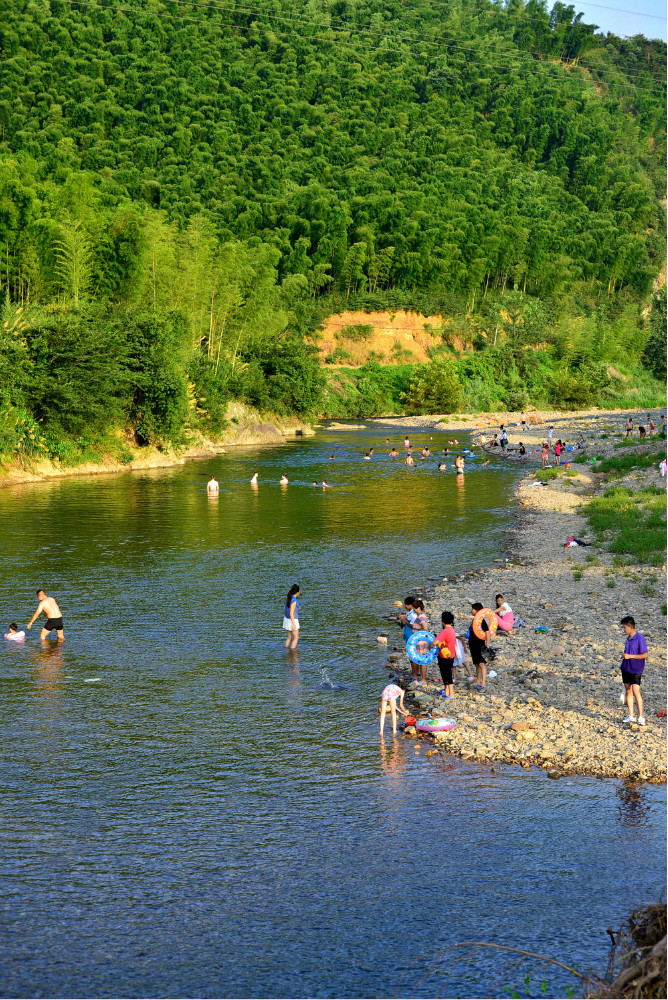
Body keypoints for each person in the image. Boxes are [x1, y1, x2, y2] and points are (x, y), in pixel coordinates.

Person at [620, 616, 647, 725]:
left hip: (636, 668)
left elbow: (645, 655)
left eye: (624, 627)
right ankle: (631, 715)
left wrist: (629, 656)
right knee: (628, 690)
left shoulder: (640, 638)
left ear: (631, 627)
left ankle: (641, 716)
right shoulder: (628, 639)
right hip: (626, 667)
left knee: (636, 691)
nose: (623, 629)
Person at [430, 611, 457, 699]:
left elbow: (435, 642)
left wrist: (428, 646)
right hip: (451, 655)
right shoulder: (452, 630)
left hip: (444, 656)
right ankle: (446, 691)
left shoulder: (445, 631)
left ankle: (451, 694)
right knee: (447, 673)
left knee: (446, 674)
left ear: (443, 621)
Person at [465, 602, 491, 690]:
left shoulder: (481, 620)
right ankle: (478, 680)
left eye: (473, 609)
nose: (471, 611)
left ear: (477, 610)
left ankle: (483, 682)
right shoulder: (474, 620)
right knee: (476, 664)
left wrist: (487, 644)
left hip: (479, 645)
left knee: (481, 664)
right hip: (473, 645)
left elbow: (487, 632)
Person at [409, 599, 430, 684]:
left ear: (418, 608)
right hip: (419, 641)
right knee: (421, 659)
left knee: (421, 660)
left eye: (414, 608)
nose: (413, 609)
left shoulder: (421, 616)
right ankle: (422, 678)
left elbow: (425, 628)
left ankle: (423, 679)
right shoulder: (421, 616)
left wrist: (419, 636)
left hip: (419, 642)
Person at [283, 584, 300, 649]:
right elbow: (291, 613)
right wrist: (293, 624)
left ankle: (286, 650)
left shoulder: (289, 597)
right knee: (296, 638)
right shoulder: (294, 601)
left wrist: (298, 607)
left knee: (289, 638)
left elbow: (292, 606)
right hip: (292, 620)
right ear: (297, 592)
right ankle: (292, 653)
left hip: (287, 619)